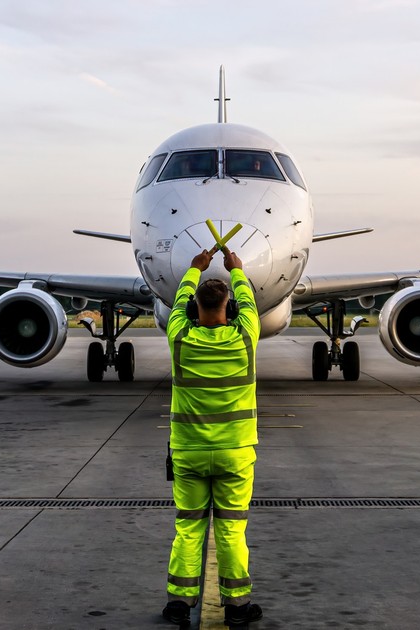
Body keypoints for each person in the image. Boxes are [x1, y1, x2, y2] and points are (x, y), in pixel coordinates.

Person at [162, 248, 263, 628]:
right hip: (236, 454)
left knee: (188, 528)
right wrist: (237, 270)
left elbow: (176, 306)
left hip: (188, 452)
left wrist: (193, 270)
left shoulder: (180, 339)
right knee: (232, 529)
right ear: (232, 309)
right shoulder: (245, 339)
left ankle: (178, 604)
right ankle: (237, 607)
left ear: (191, 311)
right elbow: (250, 305)